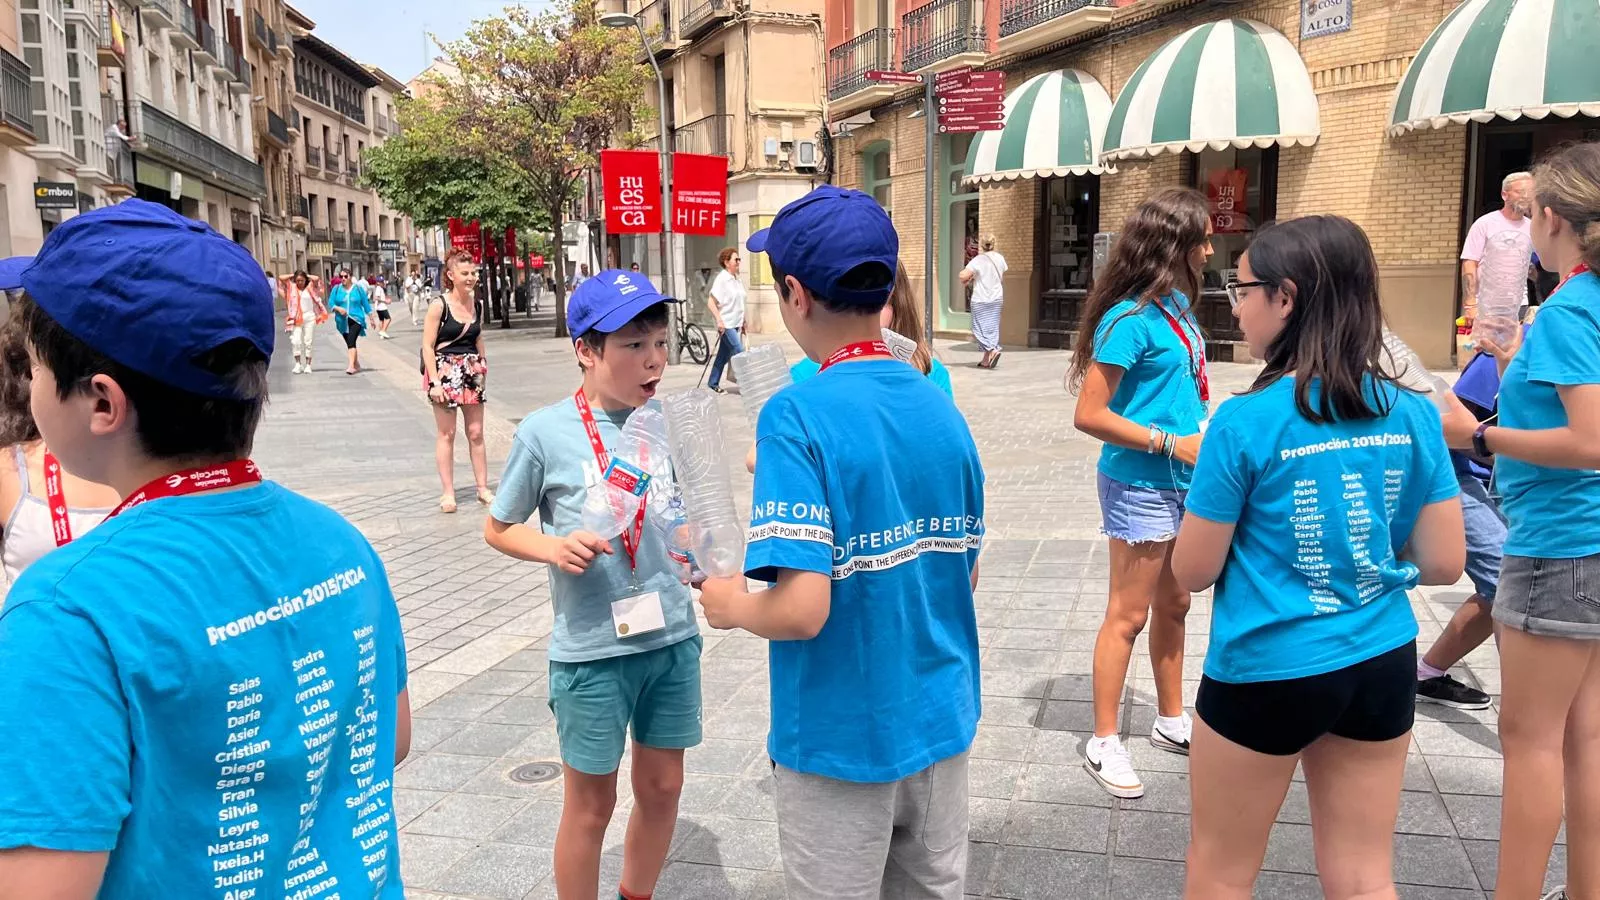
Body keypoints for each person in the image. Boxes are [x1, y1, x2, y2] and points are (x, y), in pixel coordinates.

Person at [0, 199, 410, 897]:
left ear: (102, 402)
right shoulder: (340, 543)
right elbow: (389, 739)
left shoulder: (66, 612)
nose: (28, 389)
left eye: (34, 368)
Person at [697, 185, 984, 900]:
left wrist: (731, 605)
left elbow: (802, 609)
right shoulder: (939, 403)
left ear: (795, 295)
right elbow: (965, 573)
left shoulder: (795, 415)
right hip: (941, 723)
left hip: (839, 737)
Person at [1169, 215, 1465, 898]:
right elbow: (1445, 562)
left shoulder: (1244, 421)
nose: (1235, 306)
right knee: (1364, 875)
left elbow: (1192, 570)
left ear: (1287, 297)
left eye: (1242, 289)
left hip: (1267, 665)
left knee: (1220, 870)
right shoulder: (1413, 411)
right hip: (1381, 657)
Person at [484, 270, 699, 900]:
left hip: (672, 637)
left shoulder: (669, 424)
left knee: (663, 788)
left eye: (659, 342)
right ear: (586, 350)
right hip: (592, 651)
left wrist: (703, 550)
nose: (654, 359)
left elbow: (681, 515)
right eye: (633, 345)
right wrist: (554, 547)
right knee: (591, 805)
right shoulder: (545, 432)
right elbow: (498, 528)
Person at [1440, 141, 1600, 900]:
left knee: (1531, 740)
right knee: (1585, 737)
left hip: (1559, 545)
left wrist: (1480, 437)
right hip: (1589, 542)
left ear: (1553, 217)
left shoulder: (1571, 308)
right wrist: (1513, 366)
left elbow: (1589, 440)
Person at [1067, 187, 1212, 799]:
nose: (1211, 250)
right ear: (1174, 244)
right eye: (1203, 239)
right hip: (1139, 483)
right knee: (1128, 614)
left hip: (1183, 479)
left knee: (1175, 604)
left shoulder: (1177, 307)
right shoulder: (1127, 321)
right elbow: (1089, 413)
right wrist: (1169, 442)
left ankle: (1171, 719)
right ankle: (1103, 740)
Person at [0, 308, 119, 605]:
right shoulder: (9, 470)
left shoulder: (175, 467)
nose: (31, 381)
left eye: (38, 368)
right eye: (32, 367)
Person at [1414, 345, 1506, 710]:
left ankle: (1427, 672)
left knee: (1504, 586)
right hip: (1460, 479)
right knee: (1507, 583)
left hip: (1519, 482)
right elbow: (1451, 426)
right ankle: (1535, 716)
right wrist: (1516, 452)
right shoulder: (1502, 353)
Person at [789, 260, 953, 398]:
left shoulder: (932, 374)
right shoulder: (803, 375)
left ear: (899, 306)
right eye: (850, 306)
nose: (864, 318)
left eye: (876, 305)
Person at [422, 250, 492, 514]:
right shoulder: (439, 305)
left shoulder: (477, 304)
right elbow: (427, 346)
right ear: (451, 275)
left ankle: (482, 488)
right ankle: (448, 493)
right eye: (465, 273)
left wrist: (483, 364)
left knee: (476, 432)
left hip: (471, 372)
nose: (471, 277)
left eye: (473, 272)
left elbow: (477, 336)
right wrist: (435, 382)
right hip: (445, 372)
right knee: (447, 433)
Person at [1460, 171, 1533, 330]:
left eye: (1530, 192)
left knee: (1514, 346)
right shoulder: (1485, 224)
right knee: (1484, 345)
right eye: (1520, 192)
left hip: (1518, 305)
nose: (1526, 196)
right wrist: (1470, 303)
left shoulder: (1533, 227)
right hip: (1485, 305)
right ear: (1504, 194)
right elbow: (1469, 263)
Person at [960, 233, 1007, 369]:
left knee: (978, 329)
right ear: (994, 244)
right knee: (992, 328)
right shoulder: (1000, 258)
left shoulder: (978, 260)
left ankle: (993, 350)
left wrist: (970, 276)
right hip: (996, 298)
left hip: (980, 299)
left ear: (981, 245)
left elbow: (962, 276)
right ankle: (986, 360)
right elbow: (1001, 275)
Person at [706, 248, 746, 393]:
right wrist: (719, 321)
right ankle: (747, 384)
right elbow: (711, 302)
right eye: (736, 260)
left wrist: (744, 321)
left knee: (722, 356)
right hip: (727, 324)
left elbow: (740, 302)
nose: (738, 262)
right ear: (726, 262)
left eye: (739, 259)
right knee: (739, 352)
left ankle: (713, 382)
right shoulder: (722, 279)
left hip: (736, 323)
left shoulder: (737, 279)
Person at [279, 270, 327, 375]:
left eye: (301, 280)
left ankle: (308, 365)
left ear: (305, 280)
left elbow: (316, 278)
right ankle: (298, 364)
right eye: (297, 280)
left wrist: (305, 275)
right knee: (295, 341)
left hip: (309, 317)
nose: (299, 282)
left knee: (308, 341)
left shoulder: (310, 287)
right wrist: (294, 274)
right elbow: (281, 278)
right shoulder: (291, 287)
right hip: (295, 318)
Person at [329, 268, 375, 374]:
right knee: (350, 343)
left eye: (346, 276)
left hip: (356, 319)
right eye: (341, 276)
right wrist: (338, 308)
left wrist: (371, 318)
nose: (343, 278)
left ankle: (351, 366)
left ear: (350, 277)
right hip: (342, 321)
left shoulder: (358, 289)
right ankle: (356, 364)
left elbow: (365, 304)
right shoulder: (336, 289)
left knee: (351, 340)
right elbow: (331, 303)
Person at [370, 275, 394, 340]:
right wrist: (385, 301)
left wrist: (386, 299)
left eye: (382, 281)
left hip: (379, 307)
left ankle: (382, 334)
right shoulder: (378, 288)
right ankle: (383, 331)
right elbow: (376, 298)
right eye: (381, 282)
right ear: (378, 282)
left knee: (381, 320)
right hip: (382, 307)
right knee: (388, 319)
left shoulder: (380, 288)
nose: (383, 283)